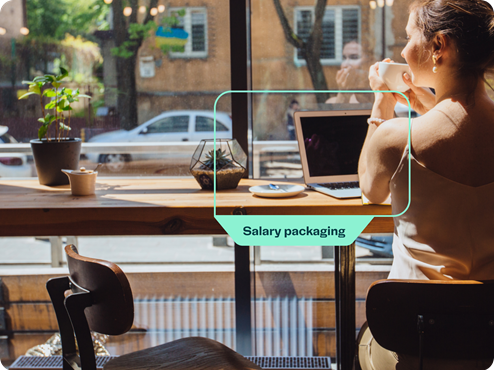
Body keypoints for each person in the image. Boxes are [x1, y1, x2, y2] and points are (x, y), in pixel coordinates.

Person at [357, 0, 494, 368]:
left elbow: (370, 188)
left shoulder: (398, 139)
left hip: (416, 342)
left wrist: (381, 104)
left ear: (438, 47)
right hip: (488, 339)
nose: (402, 50)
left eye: (408, 36)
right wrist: (431, 113)